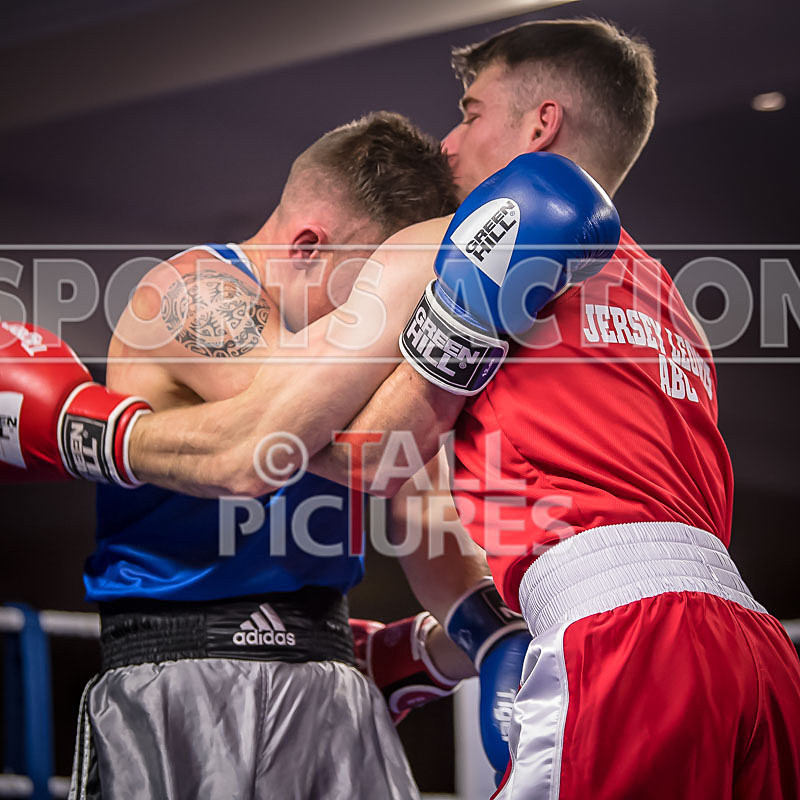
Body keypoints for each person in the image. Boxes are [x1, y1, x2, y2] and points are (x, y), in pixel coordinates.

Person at [5, 18, 798, 797]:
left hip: (342, 671)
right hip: (175, 680)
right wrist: (82, 427)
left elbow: (412, 497)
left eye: (469, 112)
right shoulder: (194, 292)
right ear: (312, 245)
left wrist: (487, 640)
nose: (376, 327)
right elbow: (261, 449)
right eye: (371, 294)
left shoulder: (484, 254)